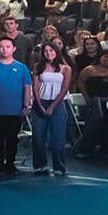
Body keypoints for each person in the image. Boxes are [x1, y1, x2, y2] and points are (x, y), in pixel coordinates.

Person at [0, 37, 34, 175]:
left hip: (16, 109)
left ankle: (10, 162)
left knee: (12, 138)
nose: (5, 49)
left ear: (14, 49)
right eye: (2, 46)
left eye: (8, 46)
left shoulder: (22, 68)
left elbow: (27, 87)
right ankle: (0, 160)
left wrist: (26, 106)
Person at [30, 44, 72, 177]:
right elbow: (35, 87)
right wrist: (39, 105)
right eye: (46, 51)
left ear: (56, 52)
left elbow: (64, 89)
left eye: (51, 50)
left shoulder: (65, 68)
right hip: (40, 102)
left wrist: (52, 106)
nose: (48, 53)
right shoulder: (38, 66)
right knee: (38, 137)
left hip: (57, 103)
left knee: (58, 138)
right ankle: (40, 165)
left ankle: (59, 166)